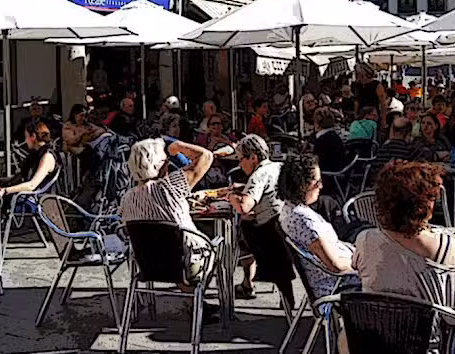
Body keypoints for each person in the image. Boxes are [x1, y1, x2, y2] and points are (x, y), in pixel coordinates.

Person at [119, 138, 220, 322]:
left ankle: (194, 302)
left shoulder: (126, 198)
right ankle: (197, 301)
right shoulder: (171, 186)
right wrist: (178, 146)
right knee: (215, 245)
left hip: (149, 264)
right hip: (185, 262)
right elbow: (206, 156)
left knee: (169, 247)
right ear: (160, 165)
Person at [353, 161, 455, 318]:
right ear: (424, 204)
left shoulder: (366, 240)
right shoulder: (444, 245)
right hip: (428, 340)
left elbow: (358, 269)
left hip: (376, 335)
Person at [278, 154, 356, 299]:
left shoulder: (290, 210)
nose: (321, 186)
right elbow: (336, 266)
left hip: (334, 277)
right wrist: (362, 263)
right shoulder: (304, 222)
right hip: (338, 286)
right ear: (303, 185)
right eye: (317, 182)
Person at [228, 135, 286, 299]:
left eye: (240, 159)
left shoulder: (258, 175)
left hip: (271, 234)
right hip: (286, 227)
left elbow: (243, 208)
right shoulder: (279, 167)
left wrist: (232, 196)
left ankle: (248, 283)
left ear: (253, 157)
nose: (239, 164)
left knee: (244, 226)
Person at [354, 63, 387, 131]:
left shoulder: (376, 85)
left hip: (373, 113)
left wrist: (383, 119)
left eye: (358, 73)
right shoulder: (358, 84)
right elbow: (357, 100)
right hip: (361, 113)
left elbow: (383, 103)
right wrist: (355, 114)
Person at [312, 107, 347, 174]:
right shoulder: (335, 136)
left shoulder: (321, 140)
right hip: (338, 168)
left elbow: (317, 160)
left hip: (328, 172)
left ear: (317, 123)